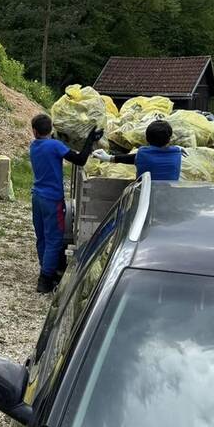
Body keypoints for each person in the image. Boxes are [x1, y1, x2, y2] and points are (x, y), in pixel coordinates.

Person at [29, 114, 102, 294]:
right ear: (51, 129)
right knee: (54, 238)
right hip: (53, 199)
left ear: (34, 131)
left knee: (43, 237)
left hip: (37, 197)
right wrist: (90, 140)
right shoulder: (55, 146)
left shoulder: (34, 145)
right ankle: (45, 280)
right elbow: (80, 160)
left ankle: (47, 269)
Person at [93, 119, 183, 180]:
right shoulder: (177, 154)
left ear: (147, 139)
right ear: (169, 139)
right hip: (170, 196)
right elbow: (171, 150)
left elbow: (131, 158)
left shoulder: (143, 153)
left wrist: (108, 158)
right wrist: (178, 148)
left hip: (146, 198)